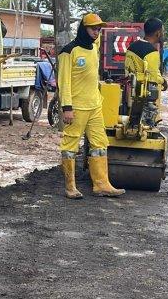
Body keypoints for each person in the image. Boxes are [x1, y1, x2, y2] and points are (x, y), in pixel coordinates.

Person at [58, 13, 125, 199]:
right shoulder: (69, 51)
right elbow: (63, 82)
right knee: (70, 145)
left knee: (100, 144)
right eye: (93, 28)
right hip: (76, 107)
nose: (96, 32)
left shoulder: (94, 48)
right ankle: (70, 186)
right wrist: (67, 108)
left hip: (94, 105)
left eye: (98, 29)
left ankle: (101, 184)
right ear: (83, 29)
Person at [125, 17, 167, 92]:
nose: (163, 34)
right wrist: (163, 81)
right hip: (143, 94)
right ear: (158, 33)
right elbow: (152, 78)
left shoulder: (131, 47)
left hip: (129, 90)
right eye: (163, 31)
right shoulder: (151, 52)